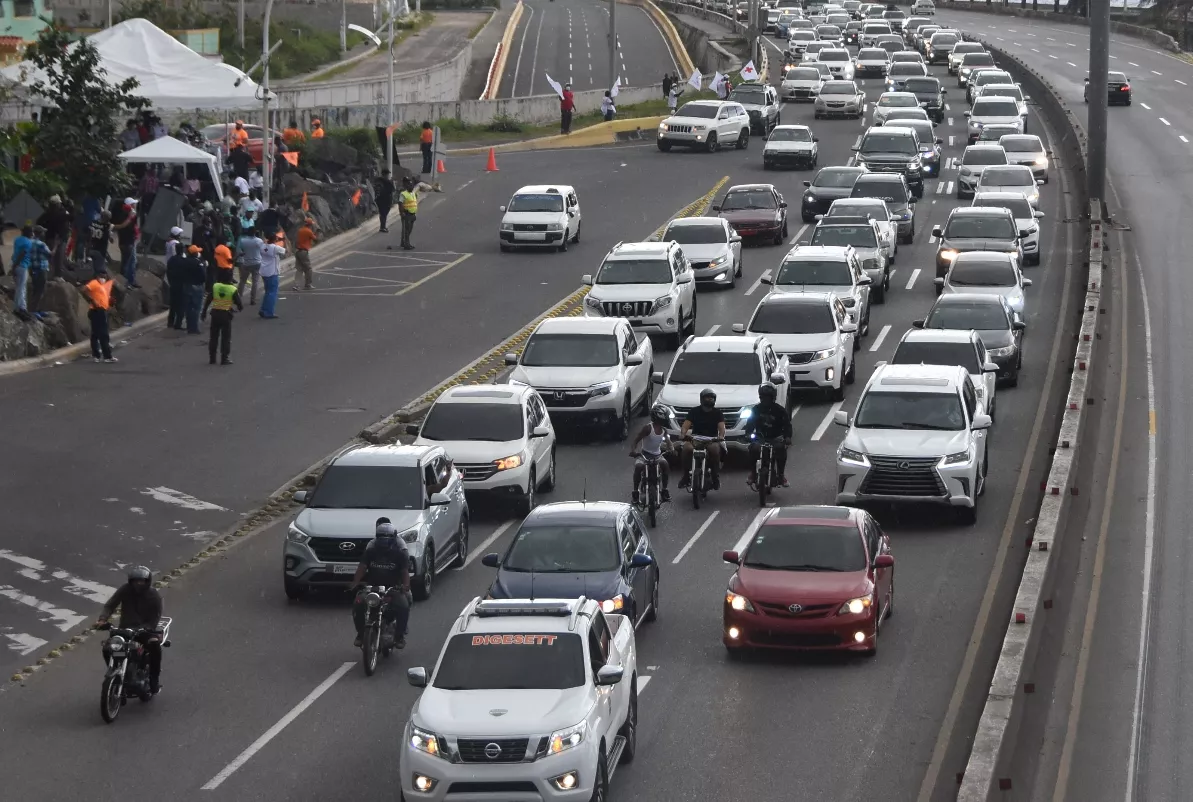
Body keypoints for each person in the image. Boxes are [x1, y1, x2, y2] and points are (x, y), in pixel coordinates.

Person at [96, 565, 164, 695]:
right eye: (135, 581)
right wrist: (103, 619)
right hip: (124, 629)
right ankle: (115, 670)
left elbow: (155, 617)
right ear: (130, 581)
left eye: (141, 581)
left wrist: (146, 628)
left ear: (147, 581)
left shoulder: (154, 595)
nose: (138, 584)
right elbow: (110, 605)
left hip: (144, 631)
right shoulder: (125, 590)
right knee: (107, 648)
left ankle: (154, 680)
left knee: (155, 646)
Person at [350, 521, 412, 650]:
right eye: (382, 537)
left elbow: (404, 572)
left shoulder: (400, 553)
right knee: (358, 602)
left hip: (393, 588)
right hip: (372, 588)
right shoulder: (370, 552)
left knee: (403, 605)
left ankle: (399, 636)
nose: (384, 541)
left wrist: (405, 586)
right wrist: (355, 583)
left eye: (387, 537)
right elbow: (362, 568)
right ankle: (361, 634)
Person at [744, 384, 793, 488]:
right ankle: (753, 473)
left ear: (773, 397)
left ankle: (781, 475)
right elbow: (750, 424)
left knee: (781, 449)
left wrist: (787, 437)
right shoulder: (755, 409)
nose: (765, 399)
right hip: (760, 438)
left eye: (768, 397)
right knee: (753, 449)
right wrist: (748, 434)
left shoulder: (780, 410)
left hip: (775, 438)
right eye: (763, 397)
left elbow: (787, 425)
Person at [678, 388, 726, 489]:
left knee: (715, 450)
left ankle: (715, 475)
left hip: (712, 439)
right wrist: (683, 434)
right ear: (702, 399)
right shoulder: (694, 411)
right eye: (707, 397)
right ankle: (686, 475)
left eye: (712, 398)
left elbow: (721, 427)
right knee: (686, 449)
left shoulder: (718, 413)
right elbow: (686, 425)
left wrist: (721, 436)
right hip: (695, 438)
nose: (709, 399)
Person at [629, 405, 673, 504]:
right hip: (644, 455)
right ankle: (635, 492)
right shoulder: (648, 428)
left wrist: (671, 449)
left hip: (658, 455)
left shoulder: (664, 430)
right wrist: (633, 451)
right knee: (638, 466)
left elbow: (668, 441)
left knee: (665, 465)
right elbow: (636, 440)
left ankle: (664, 489)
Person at [201, 266, 243, 365]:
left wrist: (204, 312)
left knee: (213, 337)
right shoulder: (232, 289)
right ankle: (224, 358)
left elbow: (208, 300)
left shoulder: (215, 286)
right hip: (226, 315)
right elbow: (240, 305)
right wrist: (235, 309)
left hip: (215, 314)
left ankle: (212, 358)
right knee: (226, 338)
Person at [84, 267, 118, 363]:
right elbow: (84, 289)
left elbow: (103, 297)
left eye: (105, 276)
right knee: (103, 334)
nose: (104, 277)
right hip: (97, 310)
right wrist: (92, 300)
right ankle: (107, 356)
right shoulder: (94, 283)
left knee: (95, 334)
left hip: (101, 310)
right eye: (102, 275)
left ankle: (96, 355)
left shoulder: (103, 286)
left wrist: (110, 301)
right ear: (98, 275)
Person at [36, 194, 72, 278]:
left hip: (52, 237)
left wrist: (44, 229)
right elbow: (71, 217)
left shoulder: (48, 213)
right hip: (58, 238)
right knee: (58, 259)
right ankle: (57, 276)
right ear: (57, 204)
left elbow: (38, 222)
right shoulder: (61, 213)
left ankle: (52, 276)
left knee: (53, 259)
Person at [112, 197, 140, 288]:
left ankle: (123, 281)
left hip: (122, 241)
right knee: (130, 263)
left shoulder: (121, 213)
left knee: (125, 262)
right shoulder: (131, 216)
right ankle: (129, 282)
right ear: (131, 205)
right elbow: (130, 227)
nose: (136, 205)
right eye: (134, 204)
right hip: (129, 242)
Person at [398, 176, 431, 251]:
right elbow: (400, 204)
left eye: (412, 185)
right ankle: (406, 244)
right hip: (407, 214)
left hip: (413, 214)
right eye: (410, 185)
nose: (411, 187)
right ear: (406, 186)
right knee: (406, 230)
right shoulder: (403, 194)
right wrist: (402, 213)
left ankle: (405, 242)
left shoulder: (413, 193)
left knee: (409, 230)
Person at [258, 233, 285, 319]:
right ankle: (269, 312)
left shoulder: (262, 246)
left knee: (267, 292)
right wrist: (283, 242)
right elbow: (285, 251)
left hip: (264, 271)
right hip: (272, 272)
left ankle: (263, 309)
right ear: (275, 240)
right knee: (272, 293)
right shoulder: (275, 248)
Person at [27, 226, 51, 318]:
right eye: (43, 232)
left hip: (33, 269)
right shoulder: (41, 244)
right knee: (40, 290)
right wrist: (56, 245)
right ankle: (34, 310)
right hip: (41, 269)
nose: (44, 234)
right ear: (40, 233)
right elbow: (50, 254)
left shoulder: (29, 242)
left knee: (36, 289)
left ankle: (38, 310)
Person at [182, 245, 207, 334]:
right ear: (195, 253)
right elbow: (203, 276)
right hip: (197, 286)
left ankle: (189, 326)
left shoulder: (184, 262)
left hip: (186, 285)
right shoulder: (198, 263)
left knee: (188, 307)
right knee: (196, 308)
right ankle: (194, 328)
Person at [236, 226, 264, 305]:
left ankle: (238, 298)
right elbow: (262, 250)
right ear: (255, 232)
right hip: (257, 263)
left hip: (246, 263)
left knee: (242, 281)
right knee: (255, 282)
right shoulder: (259, 241)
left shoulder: (243, 240)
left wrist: (243, 253)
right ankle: (253, 299)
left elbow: (239, 251)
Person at [10, 224, 32, 320]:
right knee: (20, 288)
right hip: (22, 266)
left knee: (22, 287)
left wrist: (14, 266)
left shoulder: (17, 240)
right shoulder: (28, 242)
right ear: (29, 233)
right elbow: (22, 254)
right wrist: (15, 266)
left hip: (17, 265)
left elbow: (16, 252)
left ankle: (23, 307)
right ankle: (17, 308)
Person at [165, 237, 188, 329]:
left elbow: (168, 271)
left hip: (173, 285)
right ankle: (178, 324)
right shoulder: (184, 261)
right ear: (182, 250)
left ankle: (170, 322)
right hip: (181, 286)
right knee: (181, 306)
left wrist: (171, 281)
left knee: (173, 305)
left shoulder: (171, 260)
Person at [87, 210, 112, 276]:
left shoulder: (93, 222)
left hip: (91, 248)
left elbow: (87, 233)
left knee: (93, 268)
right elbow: (109, 238)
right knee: (100, 272)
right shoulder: (106, 226)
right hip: (100, 250)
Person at [294, 217, 317, 290]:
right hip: (304, 252)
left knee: (299, 269)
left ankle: (297, 285)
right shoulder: (308, 231)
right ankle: (308, 284)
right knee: (308, 269)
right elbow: (315, 239)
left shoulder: (300, 230)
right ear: (310, 225)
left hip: (297, 251)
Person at [375, 169, 395, 233]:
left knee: (382, 214)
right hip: (386, 200)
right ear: (385, 174)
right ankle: (383, 227)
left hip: (379, 200)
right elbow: (392, 190)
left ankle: (382, 226)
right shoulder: (388, 182)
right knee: (384, 214)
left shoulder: (377, 180)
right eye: (387, 174)